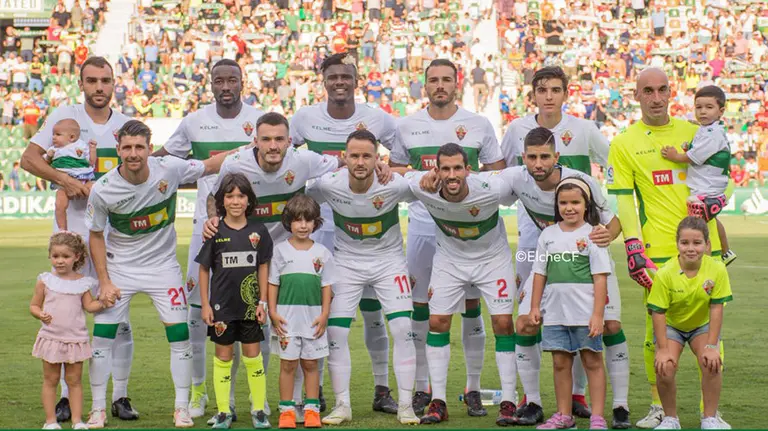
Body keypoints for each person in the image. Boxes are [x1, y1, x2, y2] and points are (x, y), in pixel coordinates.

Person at [85, 120, 228, 428]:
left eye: (139, 147)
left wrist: (251, 148)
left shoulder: (169, 169)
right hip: (119, 268)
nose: (133, 153)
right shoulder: (104, 189)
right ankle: (97, 408)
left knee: (179, 337)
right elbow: (95, 235)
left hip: (163, 269)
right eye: (127, 147)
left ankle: (181, 408)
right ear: (118, 149)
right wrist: (105, 280)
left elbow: (210, 164)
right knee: (101, 340)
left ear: (150, 149)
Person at [606, 68, 728, 429]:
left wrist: (720, 203)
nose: (656, 97)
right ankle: (660, 408)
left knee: (712, 331)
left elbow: (723, 176)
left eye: (662, 90)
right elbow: (623, 200)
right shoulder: (624, 143)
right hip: (657, 250)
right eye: (648, 90)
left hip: (705, 248)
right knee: (655, 334)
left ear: (671, 92)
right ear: (637, 95)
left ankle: (711, 412)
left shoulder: (696, 132)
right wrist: (632, 245)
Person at [21, 56, 137, 424]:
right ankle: (66, 402)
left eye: (105, 80)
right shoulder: (64, 116)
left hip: (116, 234)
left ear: (114, 84)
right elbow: (28, 158)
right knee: (65, 317)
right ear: (81, 83)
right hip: (73, 237)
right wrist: (65, 180)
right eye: (92, 80)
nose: (99, 87)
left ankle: (119, 395)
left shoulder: (125, 125)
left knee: (117, 314)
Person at [499, 66, 616, 426]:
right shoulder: (516, 130)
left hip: (580, 234)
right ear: (532, 94)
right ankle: (531, 398)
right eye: (542, 90)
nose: (548, 96)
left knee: (585, 315)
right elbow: (505, 172)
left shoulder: (584, 129)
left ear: (566, 93)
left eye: (555, 90)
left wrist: (609, 228)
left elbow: (612, 166)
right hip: (535, 238)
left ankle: (577, 396)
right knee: (528, 317)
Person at [390, 58, 506, 417]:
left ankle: (472, 388)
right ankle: (426, 387)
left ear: (457, 84)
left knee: (472, 307)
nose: (440, 85)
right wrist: (416, 176)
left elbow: (497, 174)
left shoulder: (478, 124)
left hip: (468, 230)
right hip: (425, 226)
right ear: (424, 85)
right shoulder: (407, 125)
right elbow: (394, 171)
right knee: (424, 308)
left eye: (446, 80)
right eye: (433, 80)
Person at [154, 58, 267, 421]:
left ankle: (247, 399)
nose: (225, 86)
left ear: (242, 82)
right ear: (211, 84)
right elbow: (166, 159)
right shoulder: (193, 122)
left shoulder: (260, 120)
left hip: (250, 230)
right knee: (200, 314)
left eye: (231, 79)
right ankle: (202, 392)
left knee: (247, 313)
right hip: (206, 229)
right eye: (219, 80)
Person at [290, 52, 398, 414]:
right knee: (318, 311)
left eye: (346, 77)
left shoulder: (378, 118)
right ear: (324, 81)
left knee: (372, 312)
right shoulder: (304, 118)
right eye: (333, 77)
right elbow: (286, 160)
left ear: (356, 80)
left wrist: (385, 165)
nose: (340, 82)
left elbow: (402, 160)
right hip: (319, 227)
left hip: (364, 225)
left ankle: (382, 389)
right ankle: (315, 390)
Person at [306, 130, 420, 425]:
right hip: (346, 263)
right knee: (337, 332)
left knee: (403, 328)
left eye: (366, 156)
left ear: (377, 159)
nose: (360, 162)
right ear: (343, 158)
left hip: (389, 263)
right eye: (354, 155)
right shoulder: (329, 184)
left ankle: (406, 404)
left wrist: (396, 169)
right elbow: (301, 201)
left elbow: (424, 180)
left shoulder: (393, 184)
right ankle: (342, 404)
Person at [408, 144, 518, 426]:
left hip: (493, 260)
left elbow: (524, 178)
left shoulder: (492, 187)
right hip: (450, 261)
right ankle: (439, 401)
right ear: (437, 171)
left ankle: (508, 400)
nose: (452, 174)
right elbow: (388, 177)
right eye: (445, 168)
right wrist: (386, 168)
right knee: (438, 321)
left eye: (458, 168)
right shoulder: (423, 187)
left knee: (504, 323)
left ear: (469, 169)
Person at [529, 178, 611, 430]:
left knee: (592, 361)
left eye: (575, 202)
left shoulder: (593, 235)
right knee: (560, 362)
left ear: (586, 205)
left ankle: (597, 417)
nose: (569, 208)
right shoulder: (548, 235)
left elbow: (600, 278)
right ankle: (564, 415)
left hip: (584, 314)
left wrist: (598, 315)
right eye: (563, 203)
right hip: (554, 312)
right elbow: (540, 273)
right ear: (557, 205)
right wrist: (534, 307)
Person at [197, 173, 273, 430]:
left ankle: (259, 410)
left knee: (254, 358)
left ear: (249, 200)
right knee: (223, 358)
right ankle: (222, 412)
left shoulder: (258, 231)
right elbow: (204, 269)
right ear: (222, 201)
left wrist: (262, 302)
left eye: (241, 195)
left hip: (250, 306)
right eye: (230, 196)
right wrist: (206, 305)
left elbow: (263, 266)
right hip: (222, 308)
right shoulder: (214, 231)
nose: (236, 201)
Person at [648, 217, 732, 430]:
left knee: (711, 363)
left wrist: (712, 346)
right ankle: (670, 419)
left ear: (707, 245)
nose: (691, 248)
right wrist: (663, 349)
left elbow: (716, 307)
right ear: (677, 244)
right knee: (664, 366)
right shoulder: (665, 273)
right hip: (672, 326)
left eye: (697, 243)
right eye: (685, 243)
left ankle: (710, 418)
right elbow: (658, 312)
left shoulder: (717, 270)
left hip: (701, 326)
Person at [31, 232, 111, 430]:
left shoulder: (82, 283)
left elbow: (89, 306)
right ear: (50, 256)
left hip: (75, 339)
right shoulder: (45, 280)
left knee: (74, 381)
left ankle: (77, 421)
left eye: (65, 256)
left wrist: (103, 302)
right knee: (50, 379)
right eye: (55, 256)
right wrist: (40, 314)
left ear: (76, 256)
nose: (60, 261)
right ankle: (50, 421)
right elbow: (34, 305)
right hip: (52, 339)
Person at [268, 194, 334, 429]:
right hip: (286, 320)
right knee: (287, 365)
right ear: (289, 222)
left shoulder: (323, 253)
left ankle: (311, 410)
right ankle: (286, 410)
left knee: (310, 365)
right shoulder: (279, 251)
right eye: (298, 220)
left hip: (313, 320)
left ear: (316, 222)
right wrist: (273, 313)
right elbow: (273, 284)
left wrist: (325, 314)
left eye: (308, 220)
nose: (303, 225)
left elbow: (327, 286)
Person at [661, 85, 735, 265]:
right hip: (707, 186)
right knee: (710, 221)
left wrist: (674, 156)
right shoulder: (709, 128)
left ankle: (707, 262)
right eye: (699, 107)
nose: (702, 112)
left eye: (709, 107)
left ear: (721, 111)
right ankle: (726, 252)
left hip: (707, 188)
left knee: (698, 228)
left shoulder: (712, 134)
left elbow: (694, 158)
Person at [45, 119, 97, 232]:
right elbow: (46, 164)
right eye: (53, 134)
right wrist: (48, 157)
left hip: (84, 177)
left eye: (58, 134)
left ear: (72, 137)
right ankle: (62, 229)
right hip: (63, 182)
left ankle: (97, 222)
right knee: (59, 204)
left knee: (94, 192)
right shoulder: (54, 150)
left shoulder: (82, 146)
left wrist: (93, 149)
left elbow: (91, 162)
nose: (54, 137)